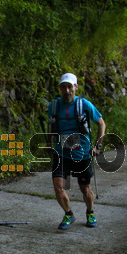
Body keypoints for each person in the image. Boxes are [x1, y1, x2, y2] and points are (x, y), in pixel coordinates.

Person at [47, 72, 106, 229]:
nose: (67, 91)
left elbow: (101, 123)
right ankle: (69, 214)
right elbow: (51, 126)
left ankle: (90, 211)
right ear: (60, 88)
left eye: (70, 87)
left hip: (82, 153)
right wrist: (48, 143)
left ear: (76, 87)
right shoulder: (53, 106)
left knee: (85, 189)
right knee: (58, 186)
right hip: (61, 153)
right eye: (64, 87)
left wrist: (98, 146)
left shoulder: (84, 105)